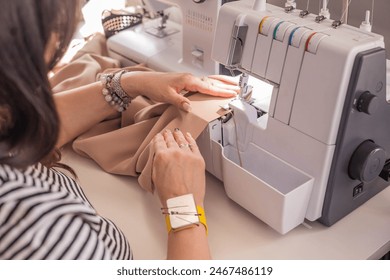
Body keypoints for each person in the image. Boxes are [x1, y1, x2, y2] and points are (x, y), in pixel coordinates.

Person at [0, 0, 238, 259]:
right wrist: (184, 208)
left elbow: (17, 135)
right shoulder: (38, 231)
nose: (77, 17)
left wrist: (127, 84)